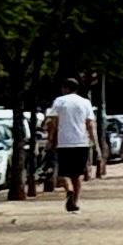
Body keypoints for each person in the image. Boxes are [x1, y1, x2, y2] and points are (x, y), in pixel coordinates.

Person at [46, 81, 97, 211]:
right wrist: (94, 142)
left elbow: (52, 122)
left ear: (65, 88)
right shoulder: (85, 102)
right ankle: (75, 201)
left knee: (63, 173)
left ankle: (69, 189)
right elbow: (90, 124)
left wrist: (50, 139)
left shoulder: (59, 101)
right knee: (77, 175)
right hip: (81, 142)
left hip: (64, 143)